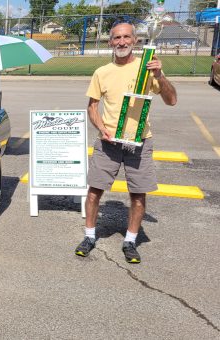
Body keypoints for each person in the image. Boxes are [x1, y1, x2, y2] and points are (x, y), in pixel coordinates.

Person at [74, 22, 177, 263]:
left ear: (135, 40)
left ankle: (130, 241)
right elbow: (92, 107)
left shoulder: (147, 69)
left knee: (138, 195)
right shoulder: (102, 72)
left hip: (140, 142)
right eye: (116, 38)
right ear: (110, 42)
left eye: (126, 37)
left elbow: (172, 100)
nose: (121, 42)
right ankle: (89, 236)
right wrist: (102, 129)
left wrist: (160, 75)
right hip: (108, 143)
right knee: (94, 191)